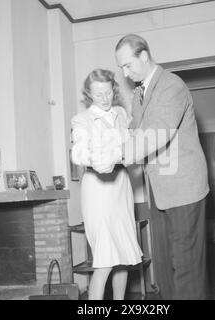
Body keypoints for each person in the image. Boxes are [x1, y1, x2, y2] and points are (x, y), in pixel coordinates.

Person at [94, 34, 210, 299]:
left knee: (186, 266)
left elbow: (157, 133)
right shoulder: (138, 94)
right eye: (121, 67)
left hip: (184, 189)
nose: (124, 72)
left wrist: (116, 156)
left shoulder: (171, 85)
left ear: (144, 56)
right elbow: (134, 132)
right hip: (159, 191)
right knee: (166, 267)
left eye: (127, 65)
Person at [70, 69, 143, 300]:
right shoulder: (81, 119)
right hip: (97, 188)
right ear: (88, 94)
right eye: (97, 94)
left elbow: (133, 144)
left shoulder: (122, 113)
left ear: (114, 89)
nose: (104, 98)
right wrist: (96, 159)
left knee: (122, 259)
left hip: (121, 185)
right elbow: (78, 153)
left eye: (108, 92)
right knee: (105, 261)